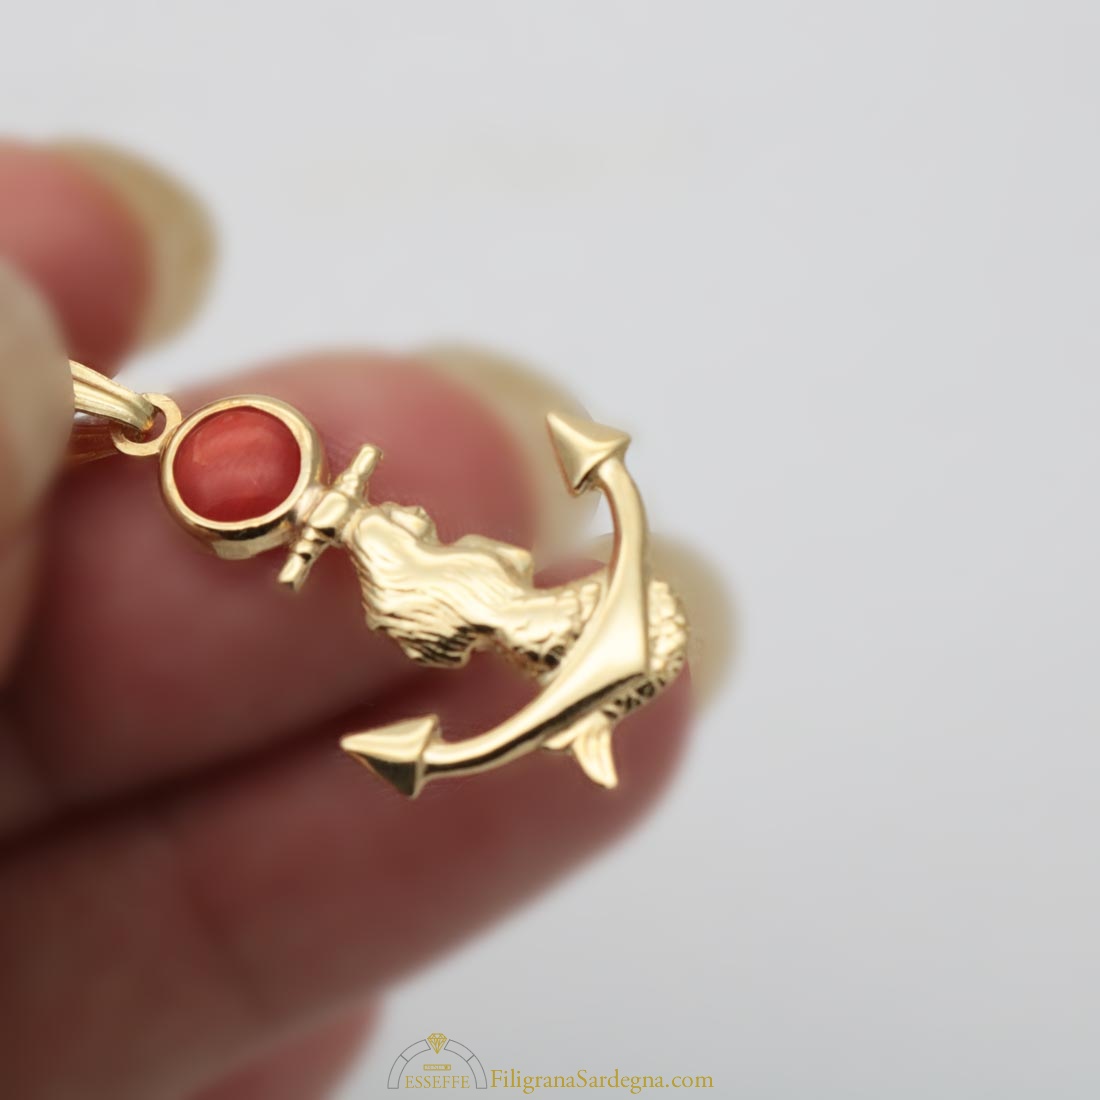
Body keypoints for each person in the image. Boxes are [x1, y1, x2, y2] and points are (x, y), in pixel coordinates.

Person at [0, 139, 715, 1099]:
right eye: (574, 604)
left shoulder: (442, 605)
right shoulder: (459, 578)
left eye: (562, 623)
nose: (522, 567)